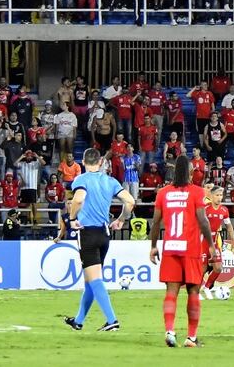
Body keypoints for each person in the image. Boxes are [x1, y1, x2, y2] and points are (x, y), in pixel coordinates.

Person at [63, 148, 136, 332]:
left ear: (83, 162)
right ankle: (78, 320)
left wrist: (72, 219)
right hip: (104, 234)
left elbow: (78, 200)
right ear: (101, 162)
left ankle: (112, 320)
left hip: (87, 233)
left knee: (94, 279)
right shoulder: (110, 181)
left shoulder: (81, 179)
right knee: (90, 279)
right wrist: (121, 219)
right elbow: (130, 201)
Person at [150, 154, 218, 348]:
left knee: (171, 292)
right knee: (193, 292)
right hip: (191, 249)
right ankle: (191, 337)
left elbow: (155, 222)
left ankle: (170, 331)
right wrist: (211, 245)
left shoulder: (163, 193)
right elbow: (203, 220)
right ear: (190, 172)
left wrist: (153, 246)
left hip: (171, 247)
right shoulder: (197, 192)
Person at [201, 185, 234, 299]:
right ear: (211, 196)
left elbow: (229, 226)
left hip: (215, 242)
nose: (219, 197)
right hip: (203, 241)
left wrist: (233, 242)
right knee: (202, 269)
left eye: (221, 195)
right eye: (217, 195)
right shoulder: (205, 209)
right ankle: (194, 292)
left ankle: (206, 287)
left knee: (218, 267)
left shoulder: (224, 210)